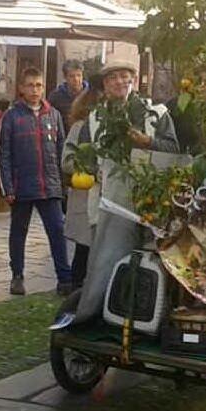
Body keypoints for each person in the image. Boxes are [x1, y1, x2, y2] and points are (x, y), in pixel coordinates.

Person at [74, 58, 181, 322]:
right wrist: (90, 169)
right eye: (112, 78)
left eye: (124, 76)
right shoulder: (95, 118)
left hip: (151, 204)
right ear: (104, 86)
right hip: (108, 202)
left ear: (133, 79)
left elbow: (174, 150)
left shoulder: (155, 113)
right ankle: (103, 317)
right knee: (104, 262)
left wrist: (148, 142)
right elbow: (83, 155)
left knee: (148, 263)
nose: (119, 81)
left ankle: (144, 318)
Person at [0, 67, 72, 296]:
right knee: (18, 233)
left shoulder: (54, 115)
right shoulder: (11, 117)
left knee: (58, 232)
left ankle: (64, 279)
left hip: (49, 187)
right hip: (21, 187)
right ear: (21, 88)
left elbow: (62, 151)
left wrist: (64, 184)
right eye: (30, 85)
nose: (35, 90)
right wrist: (7, 187)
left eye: (38, 85)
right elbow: (3, 154)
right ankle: (17, 276)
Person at [61, 80, 104, 289]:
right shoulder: (80, 127)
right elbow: (67, 161)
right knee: (84, 249)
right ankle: (75, 290)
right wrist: (90, 167)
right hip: (85, 197)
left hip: (105, 199)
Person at [47, 59, 88, 125]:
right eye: (72, 76)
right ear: (65, 77)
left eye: (79, 75)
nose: (76, 79)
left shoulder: (90, 94)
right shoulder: (55, 97)